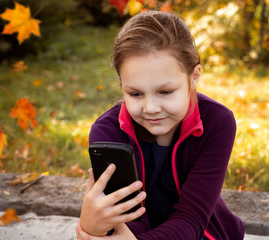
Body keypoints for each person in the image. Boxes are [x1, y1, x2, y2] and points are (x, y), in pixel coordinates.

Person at [76, 11, 245, 240]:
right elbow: (129, 218)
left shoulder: (217, 122)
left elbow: (192, 219)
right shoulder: (107, 132)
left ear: (194, 77)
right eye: (135, 93)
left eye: (165, 92)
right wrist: (90, 228)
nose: (151, 107)